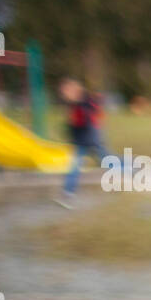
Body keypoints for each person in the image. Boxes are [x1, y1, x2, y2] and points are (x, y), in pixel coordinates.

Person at [57, 77, 112, 207]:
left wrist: (71, 126)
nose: (64, 94)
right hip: (82, 141)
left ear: (73, 90)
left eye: (65, 91)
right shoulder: (76, 104)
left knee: (107, 161)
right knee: (75, 167)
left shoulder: (83, 102)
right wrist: (68, 129)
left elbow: (85, 122)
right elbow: (76, 123)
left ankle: (132, 168)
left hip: (90, 140)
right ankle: (68, 194)